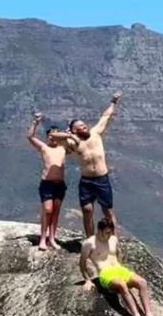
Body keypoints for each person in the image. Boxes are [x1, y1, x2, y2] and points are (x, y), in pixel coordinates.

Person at [49, 90, 122, 237]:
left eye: (84, 125)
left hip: (102, 179)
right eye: (81, 127)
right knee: (87, 210)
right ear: (75, 131)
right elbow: (53, 136)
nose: (85, 127)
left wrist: (113, 101)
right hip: (87, 181)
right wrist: (69, 134)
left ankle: (114, 240)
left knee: (107, 210)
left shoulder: (95, 133)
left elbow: (106, 116)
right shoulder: (73, 142)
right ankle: (90, 239)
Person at [79, 218, 159, 316]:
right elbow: (82, 263)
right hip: (105, 273)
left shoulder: (113, 239)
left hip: (119, 270)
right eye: (106, 232)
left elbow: (118, 254)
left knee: (142, 282)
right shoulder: (89, 243)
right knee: (122, 285)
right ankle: (136, 315)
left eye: (110, 232)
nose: (108, 235)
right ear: (100, 230)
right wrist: (87, 280)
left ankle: (148, 314)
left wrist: (122, 267)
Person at [26, 112, 72, 251]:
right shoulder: (44, 148)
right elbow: (30, 137)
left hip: (60, 184)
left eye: (56, 135)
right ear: (47, 137)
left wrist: (69, 133)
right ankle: (43, 238)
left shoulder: (64, 149)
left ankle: (52, 238)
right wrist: (35, 122)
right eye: (51, 135)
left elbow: (77, 145)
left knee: (56, 212)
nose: (53, 138)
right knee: (47, 210)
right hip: (47, 184)